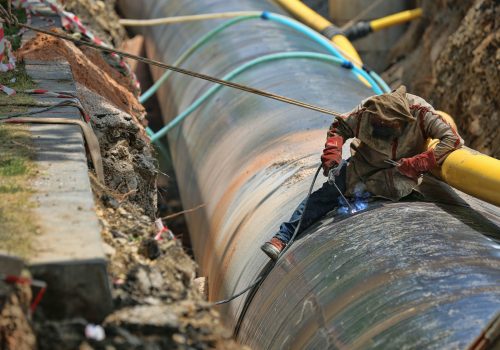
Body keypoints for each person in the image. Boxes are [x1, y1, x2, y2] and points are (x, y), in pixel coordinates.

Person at [261, 86, 463, 261]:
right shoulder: (368, 110)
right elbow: (339, 126)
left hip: (398, 174)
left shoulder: (420, 113)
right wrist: (333, 153)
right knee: (325, 196)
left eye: (388, 127)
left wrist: (418, 163)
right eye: (378, 125)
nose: (381, 128)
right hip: (362, 167)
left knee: (405, 199)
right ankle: (283, 237)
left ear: (402, 122)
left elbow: (452, 140)